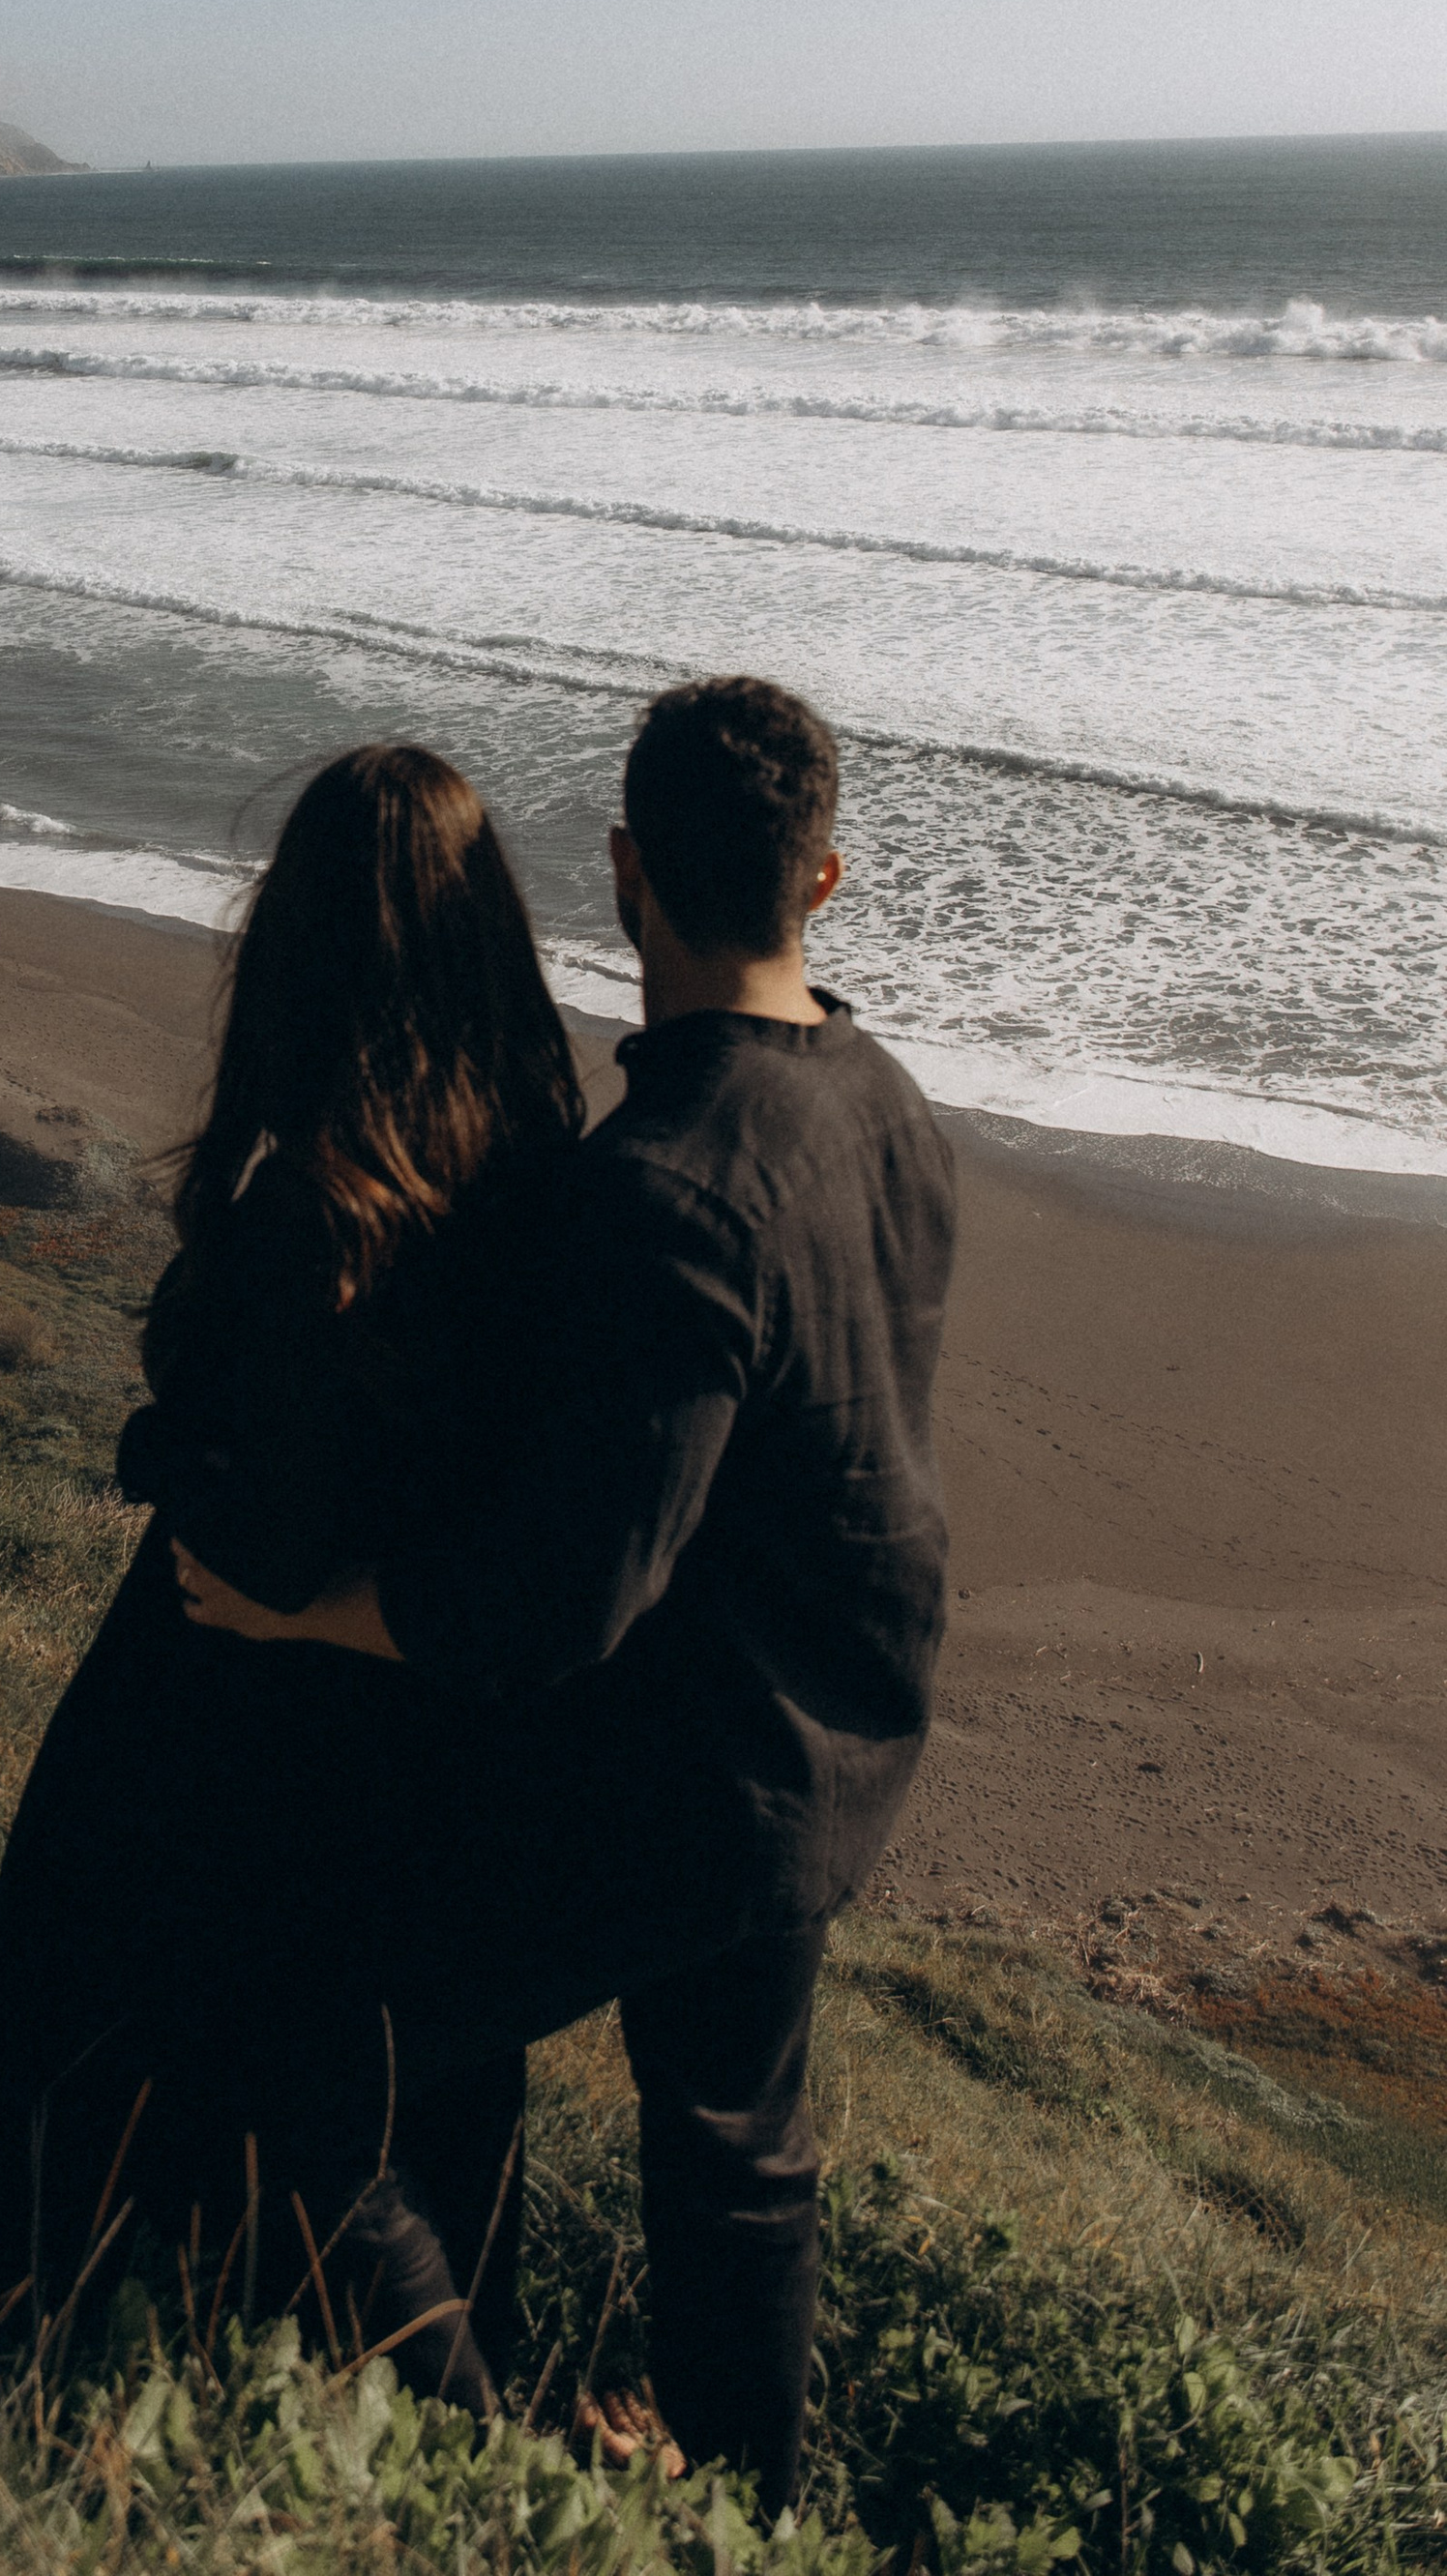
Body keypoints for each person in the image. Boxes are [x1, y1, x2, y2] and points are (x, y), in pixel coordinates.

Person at [175, 675, 954, 2512]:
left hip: (687, 1782)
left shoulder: (667, 1186)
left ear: (622, 870)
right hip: (842, 1734)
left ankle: (489, 2469)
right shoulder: (889, 1102)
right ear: (822, 881)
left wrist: (303, 1612)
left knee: (321, 2063)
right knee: (737, 2146)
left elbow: (553, 1610)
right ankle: (749, 2514)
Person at [0, 742, 582, 2401]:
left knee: (110, 2012)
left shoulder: (319, 1200)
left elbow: (266, 1531)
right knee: (402, 2093)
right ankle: (426, 2407)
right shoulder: (533, 1162)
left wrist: (170, 1460)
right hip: (444, 1715)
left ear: (303, 938)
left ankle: (47, 2326)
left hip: (239, 1688)